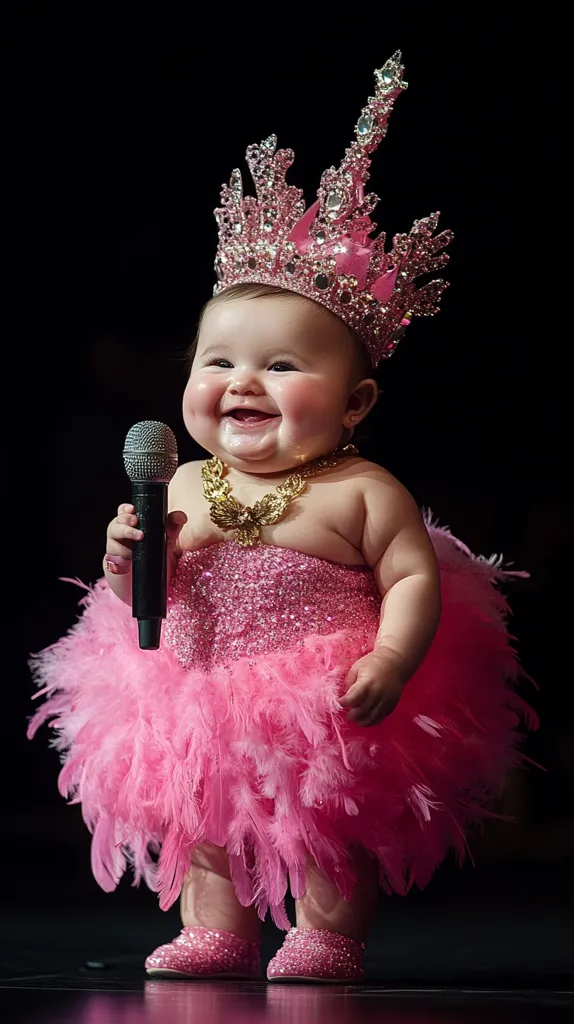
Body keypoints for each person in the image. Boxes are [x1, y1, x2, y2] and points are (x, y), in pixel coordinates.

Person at [28, 52, 536, 983]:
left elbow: (413, 575)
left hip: (322, 689)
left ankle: (327, 933)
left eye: (282, 367)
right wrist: (125, 558)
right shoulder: (178, 483)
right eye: (216, 362)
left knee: (325, 812)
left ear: (356, 402)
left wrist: (391, 657)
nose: (240, 384)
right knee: (203, 811)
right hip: (196, 680)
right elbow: (153, 581)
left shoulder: (360, 490)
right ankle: (214, 928)